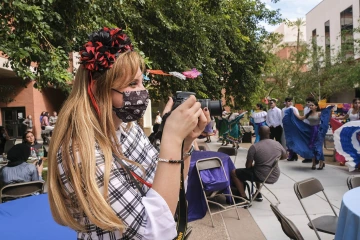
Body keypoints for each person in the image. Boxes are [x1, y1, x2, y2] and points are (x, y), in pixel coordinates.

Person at [47, 27, 209, 240]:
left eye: (142, 82)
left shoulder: (128, 129)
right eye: (132, 84)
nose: (143, 92)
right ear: (98, 88)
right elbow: (151, 232)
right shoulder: (79, 152)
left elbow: (168, 191)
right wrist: (171, 138)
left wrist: (184, 144)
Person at [231, 126, 286, 202]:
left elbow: (248, 167)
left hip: (261, 176)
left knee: (234, 173)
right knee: (257, 168)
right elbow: (284, 156)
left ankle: (243, 197)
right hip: (274, 175)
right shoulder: (277, 144)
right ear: (269, 133)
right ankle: (258, 193)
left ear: (259, 134)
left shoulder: (254, 147)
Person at [283, 101, 333, 170]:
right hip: (311, 131)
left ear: (316, 106)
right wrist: (293, 113)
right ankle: (314, 163)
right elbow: (300, 118)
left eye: (312, 105)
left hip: (318, 132)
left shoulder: (319, 113)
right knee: (311, 147)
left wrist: (330, 111)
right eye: (310, 105)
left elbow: (326, 118)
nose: (311, 106)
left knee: (318, 147)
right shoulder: (308, 114)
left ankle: (321, 162)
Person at [281, 97, 299, 161]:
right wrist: (282, 125)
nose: (289, 102)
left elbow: (297, 117)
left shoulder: (294, 109)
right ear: (285, 102)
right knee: (287, 141)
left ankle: (293, 154)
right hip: (286, 127)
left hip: (293, 127)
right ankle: (292, 154)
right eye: (288, 101)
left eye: (290, 101)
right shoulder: (283, 109)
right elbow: (282, 118)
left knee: (293, 141)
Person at [302, 96, 316, 163]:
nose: (307, 103)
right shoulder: (305, 109)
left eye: (309, 102)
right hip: (305, 126)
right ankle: (307, 157)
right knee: (306, 142)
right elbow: (304, 117)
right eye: (307, 102)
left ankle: (315, 158)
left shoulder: (315, 109)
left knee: (313, 142)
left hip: (313, 127)